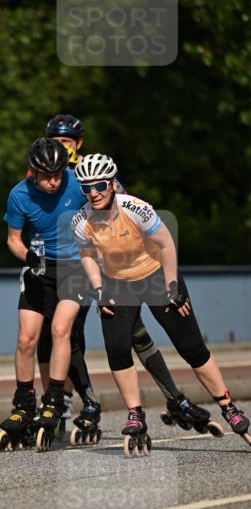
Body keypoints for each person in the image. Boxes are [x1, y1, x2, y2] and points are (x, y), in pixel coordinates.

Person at [71, 153, 250, 452]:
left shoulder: (136, 208)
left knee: (191, 347)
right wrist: (99, 289)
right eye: (86, 188)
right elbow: (88, 255)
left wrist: (172, 288)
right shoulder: (81, 220)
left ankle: (229, 407)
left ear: (113, 184)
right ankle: (135, 414)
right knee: (117, 347)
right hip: (118, 282)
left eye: (99, 185)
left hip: (156, 275)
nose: (94, 193)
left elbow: (166, 244)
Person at [44, 113, 193, 428]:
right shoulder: (46, 173)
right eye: (54, 141)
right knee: (67, 330)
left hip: (101, 263)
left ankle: (174, 397)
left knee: (134, 335)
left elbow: (122, 211)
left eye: (66, 141)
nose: (60, 147)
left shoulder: (91, 171)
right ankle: (82, 401)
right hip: (69, 264)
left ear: (78, 143)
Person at [0, 137, 95, 451]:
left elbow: (110, 202)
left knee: (60, 329)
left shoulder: (76, 184)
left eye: (57, 174)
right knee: (26, 338)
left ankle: (54, 399)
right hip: (39, 266)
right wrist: (28, 256)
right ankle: (24, 404)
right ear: (33, 172)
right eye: (46, 176)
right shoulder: (19, 195)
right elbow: (13, 240)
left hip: (75, 267)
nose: (54, 181)